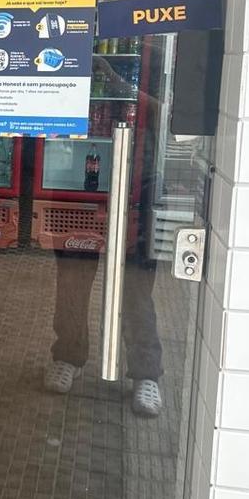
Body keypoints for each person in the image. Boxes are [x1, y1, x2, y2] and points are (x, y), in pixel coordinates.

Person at [44, 53, 163, 417]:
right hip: (78, 190)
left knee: (137, 293)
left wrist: (116, 81)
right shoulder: (65, 54)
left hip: (137, 193)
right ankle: (68, 356)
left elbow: (162, 111)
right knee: (72, 286)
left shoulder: (155, 49)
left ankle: (146, 374)